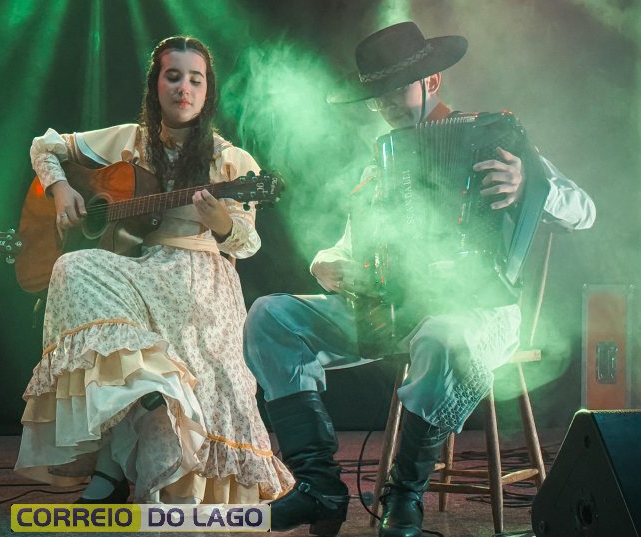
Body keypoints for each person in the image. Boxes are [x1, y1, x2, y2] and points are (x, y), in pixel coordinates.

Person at [243, 22, 596, 536]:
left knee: (442, 335)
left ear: (432, 81)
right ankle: (320, 488)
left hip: (478, 313)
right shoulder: (382, 161)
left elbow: (585, 210)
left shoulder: (497, 141)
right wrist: (326, 263)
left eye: (396, 87)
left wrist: (529, 187)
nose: (385, 102)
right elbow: (349, 245)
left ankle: (404, 495)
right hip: (389, 311)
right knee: (270, 316)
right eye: (377, 94)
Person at [14, 36, 293, 505]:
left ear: (207, 91)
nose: (184, 87)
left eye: (195, 80)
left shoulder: (231, 161)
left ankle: (140, 441)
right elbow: (46, 146)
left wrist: (222, 223)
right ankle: (144, 397)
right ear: (155, 85)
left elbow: (247, 243)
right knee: (73, 265)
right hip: (141, 269)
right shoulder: (130, 140)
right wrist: (61, 190)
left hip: (201, 280)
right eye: (173, 76)